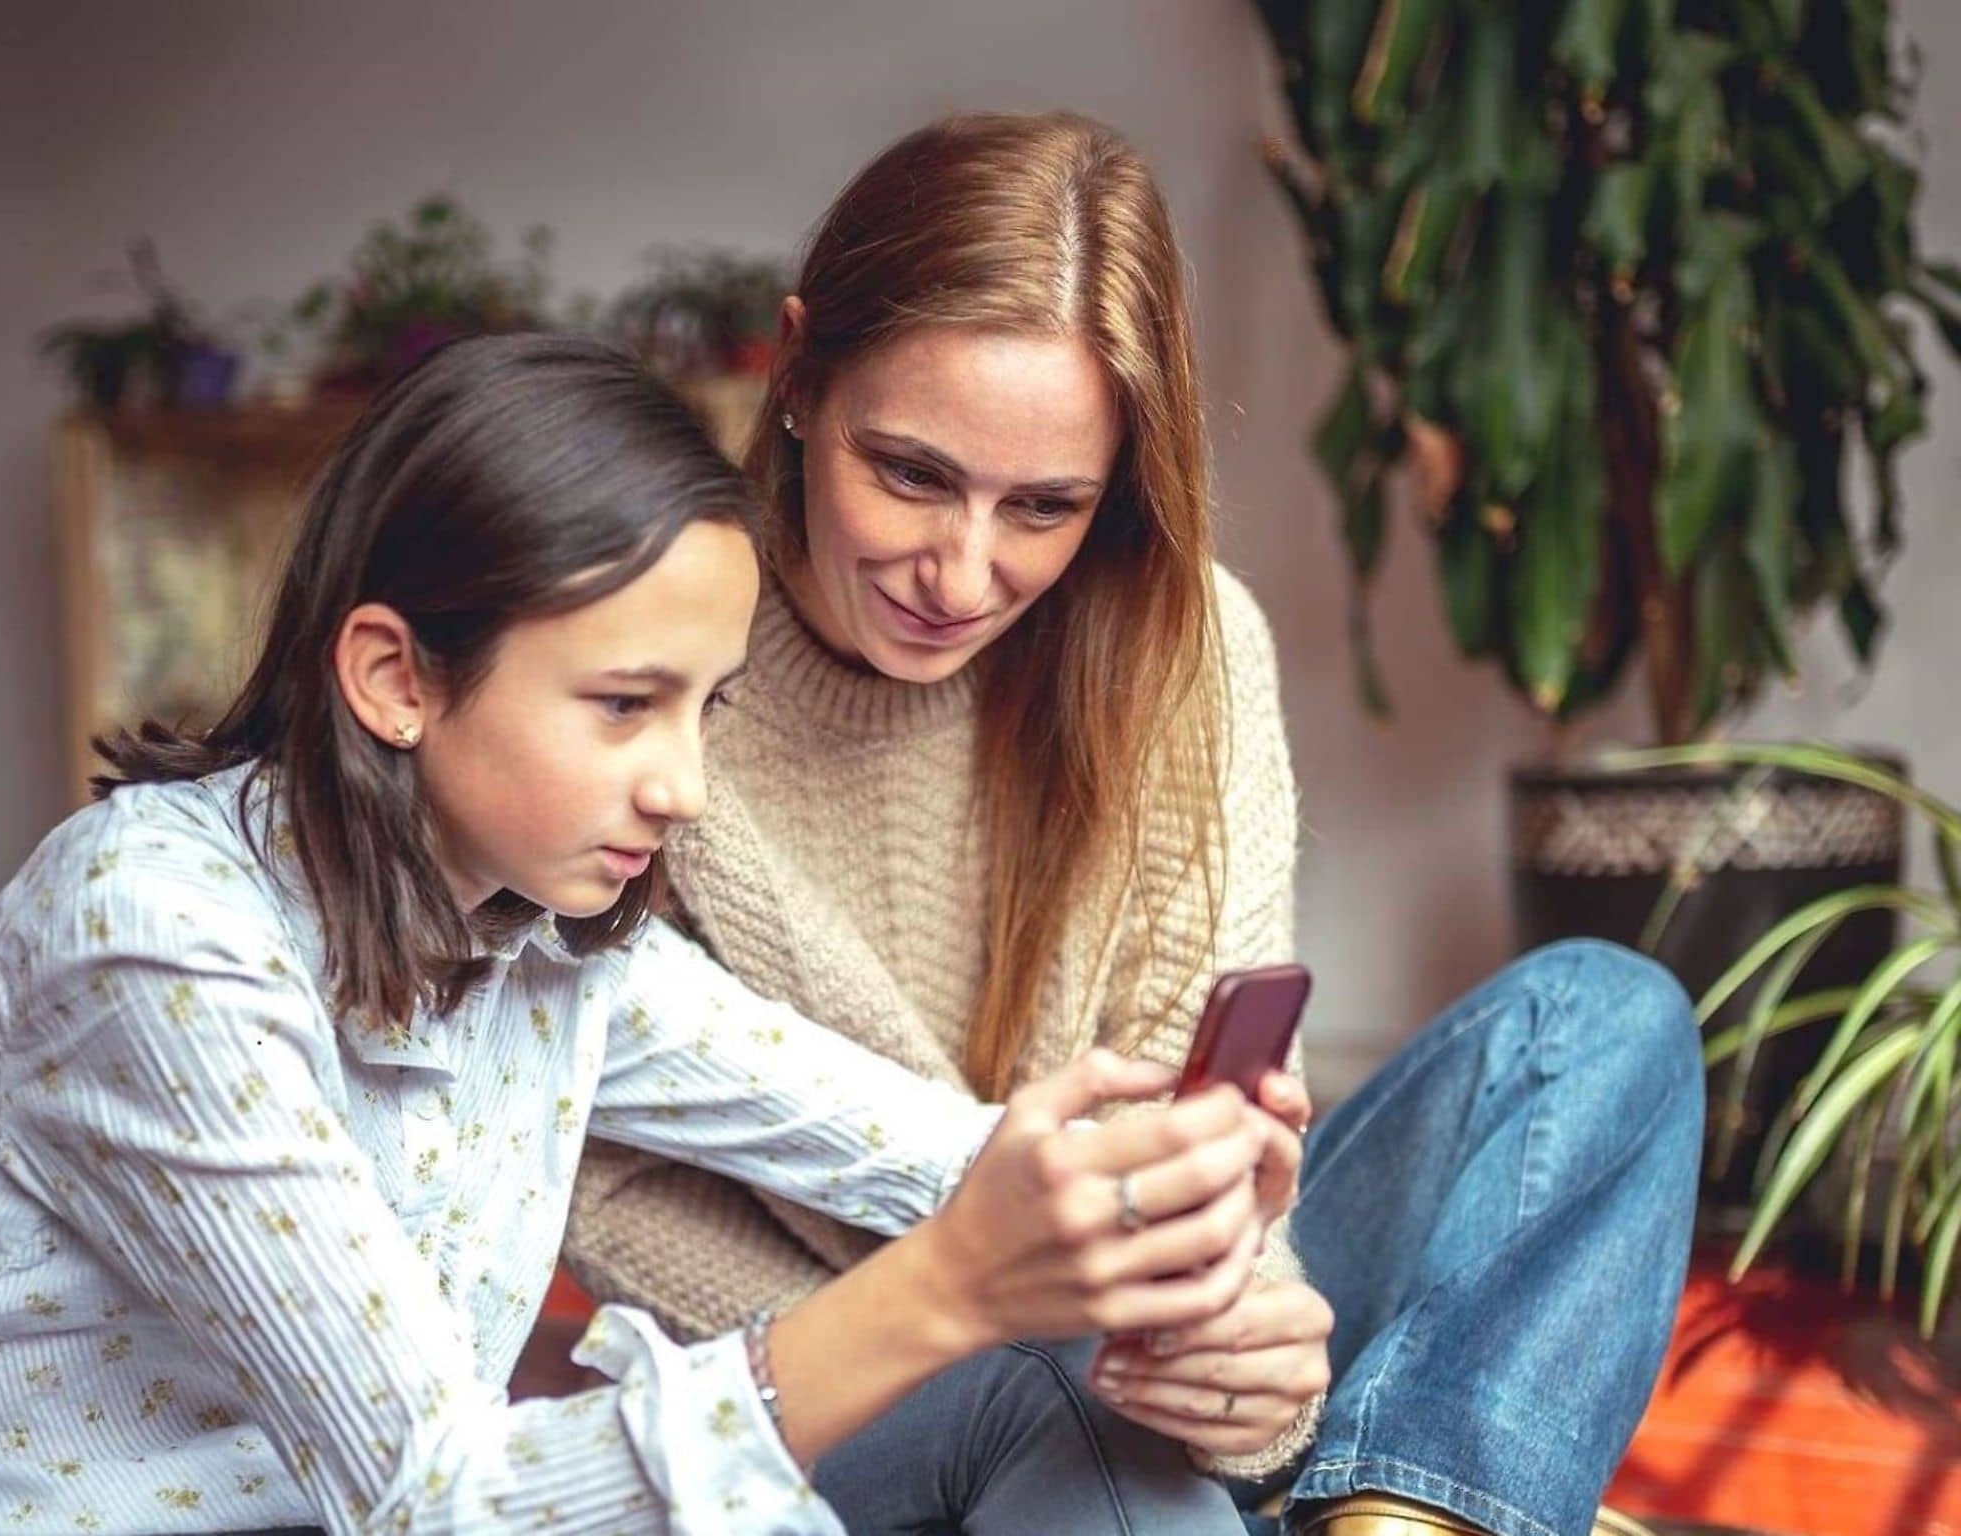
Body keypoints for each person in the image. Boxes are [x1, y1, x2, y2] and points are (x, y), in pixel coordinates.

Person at [0, 334, 1302, 1535]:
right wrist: (947, 1289)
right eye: (626, 705)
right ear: (395, 677)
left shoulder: (542, 934)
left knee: (1058, 1395)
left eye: (707, 707)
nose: (682, 788)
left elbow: (927, 1152)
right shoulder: (152, 936)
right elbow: (440, 1500)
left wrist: (1170, 1200)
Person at [565, 114, 1704, 1536]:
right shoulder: (643, 664)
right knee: (1070, 1406)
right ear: (797, 377)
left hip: (1124, 1331)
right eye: (911, 473)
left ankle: (1398, 1513)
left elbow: (1202, 1118)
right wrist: (1001, 1325)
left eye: (1044, 506)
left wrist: (1246, 1342)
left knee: (1601, 1020)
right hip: (846, 1379)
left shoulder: (1187, 652)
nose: (961, 574)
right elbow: (603, 1184)